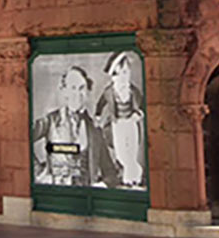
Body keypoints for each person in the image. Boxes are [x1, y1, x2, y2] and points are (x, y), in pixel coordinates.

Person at [32, 65, 118, 187]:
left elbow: (110, 173)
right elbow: (21, 138)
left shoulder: (95, 130)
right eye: (73, 88)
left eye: (82, 88)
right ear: (65, 91)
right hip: (56, 193)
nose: (77, 93)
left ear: (88, 92)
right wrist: (40, 174)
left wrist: (101, 185)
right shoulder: (50, 121)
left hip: (86, 197)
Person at [93, 50, 146, 187]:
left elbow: (143, 105)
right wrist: (98, 116)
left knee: (132, 150)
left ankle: (133, 178)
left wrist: (138, 114)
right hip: (117, 124)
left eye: (125, 73)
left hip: (131, 123)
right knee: (121, 152)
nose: (123, 78)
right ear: (113, 77)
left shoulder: (133, 91)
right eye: (119, 74)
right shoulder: (109, 92)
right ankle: (129, 175)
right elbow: (100, 104)